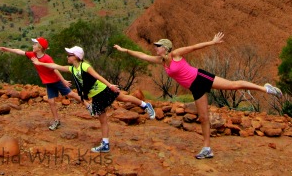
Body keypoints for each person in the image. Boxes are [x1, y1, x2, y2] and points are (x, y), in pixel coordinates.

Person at [114, 32, 283, 159]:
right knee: (203, 117)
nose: (155, 48)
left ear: (166, 47)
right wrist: (124, 50)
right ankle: (207, 148)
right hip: (194, 88)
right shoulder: (161, 61)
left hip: (200, 77)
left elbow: (194, 47)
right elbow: (142, 56)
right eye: (156, 46)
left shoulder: (176, 54)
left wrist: (213, 42)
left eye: (158, 46)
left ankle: (265, 89)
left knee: (233, 85)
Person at [32, 45, 156, 153]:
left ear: (75, 56)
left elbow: (97, 75)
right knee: (102, 119)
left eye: (69, 55)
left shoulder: (85, 66)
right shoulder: (72, 69)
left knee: (122, 98)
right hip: (95, 95)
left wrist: (110, 85)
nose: (67, 57)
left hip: (103, 90)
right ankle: (105, 144)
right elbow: (55, 66)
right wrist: (40, 63)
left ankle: (145, 105)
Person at [0, 37, 85, 130]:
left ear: (39, 48)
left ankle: (88, 105)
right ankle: (56, 121)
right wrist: (7, 49)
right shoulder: (33, 55)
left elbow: (55, 68)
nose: (33, 45)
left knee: (71, 94)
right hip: (48, 82)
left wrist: (63, 80)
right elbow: (19, 51)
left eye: (35, 44)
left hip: (56, 80)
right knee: (51, 102)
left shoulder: (47, 58)